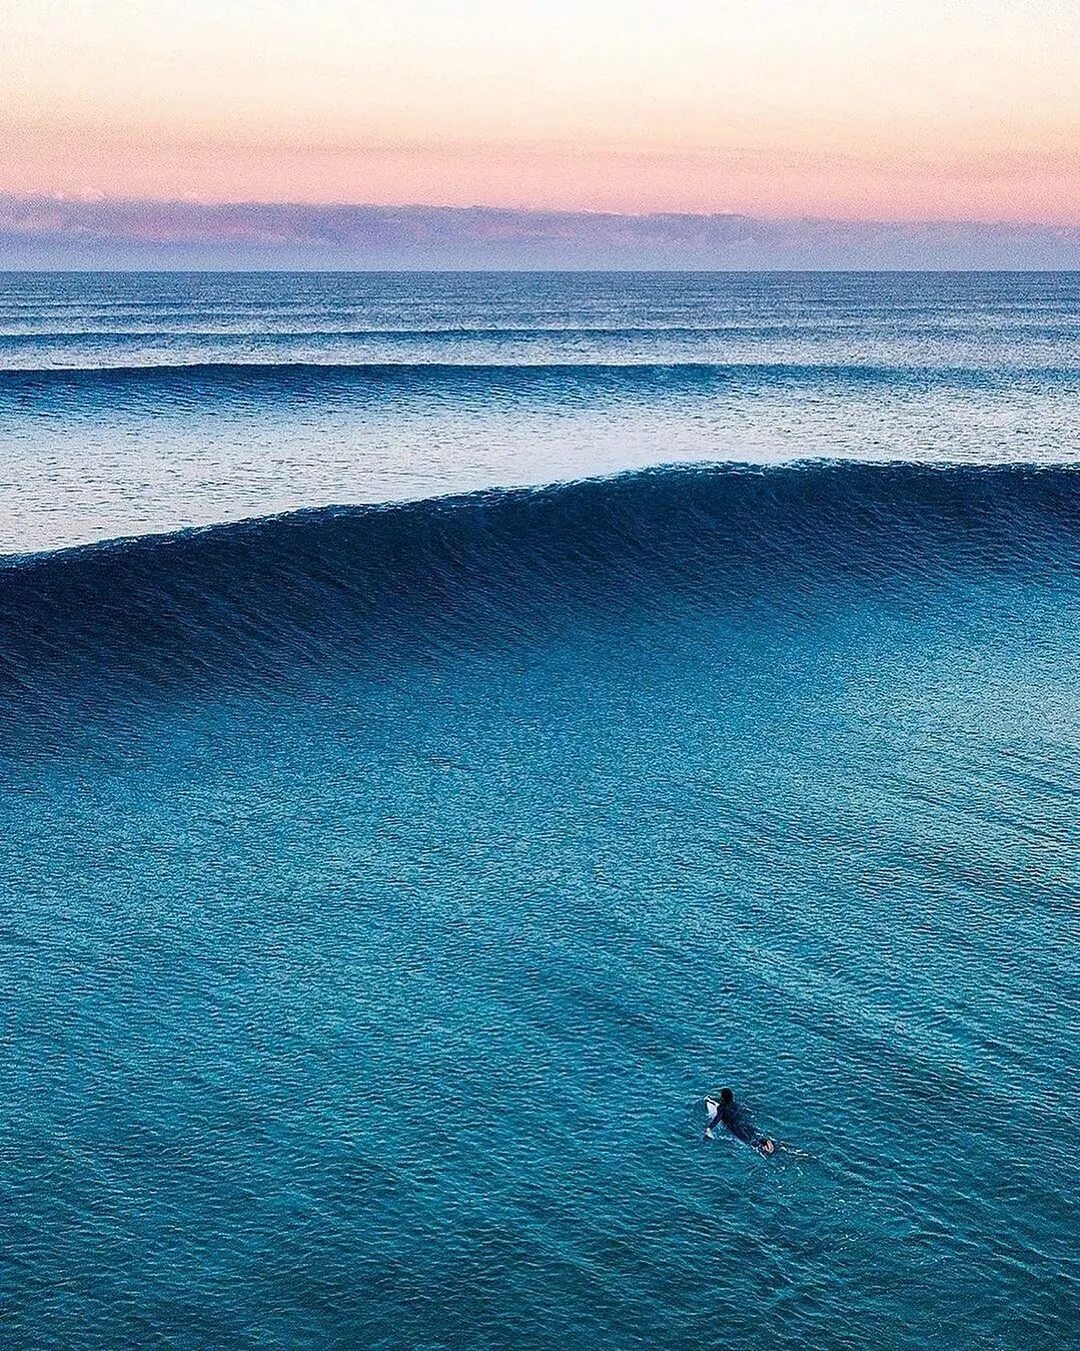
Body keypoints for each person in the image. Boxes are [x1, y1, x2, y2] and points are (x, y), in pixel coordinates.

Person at [705, 1087, 776, 1155]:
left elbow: (717, 1119)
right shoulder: (734, 1103)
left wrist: (709, 1128)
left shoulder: (721, 1108)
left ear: (723, 1098)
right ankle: (765, 1141)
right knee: (754, 1135)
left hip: (735, 1127)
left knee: (749, 1141)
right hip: (744, 1123)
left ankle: (764, 1149)